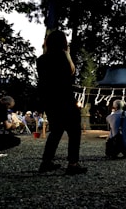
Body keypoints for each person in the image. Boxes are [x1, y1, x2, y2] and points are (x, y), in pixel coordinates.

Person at [36, 30, 87, 175]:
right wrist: (68, 54)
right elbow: (71, 72)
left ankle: (46, 162)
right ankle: (73, 163)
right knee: (74, 132)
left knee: (56, 131)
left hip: (49, 100)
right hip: (65, 98)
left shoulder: (41, 60)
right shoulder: (63, 57)